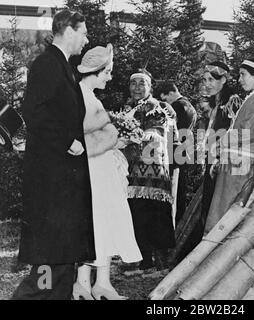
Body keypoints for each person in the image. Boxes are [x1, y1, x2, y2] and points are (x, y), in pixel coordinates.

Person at [12, 9, 93, 300]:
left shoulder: (62, 65)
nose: (86, 39)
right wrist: (67, 142)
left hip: (61, 182)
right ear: (68, 30)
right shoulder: (48, 64)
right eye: (83, 32)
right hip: (52, 182)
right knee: (49, 262)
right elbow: (34, 111)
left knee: (62, 258)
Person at [72, 44, 142, 300]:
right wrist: (114, 141)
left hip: (102, 166)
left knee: (106, 221)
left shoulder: (90, 95)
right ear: (97, 70)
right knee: (95, 221)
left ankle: (101, 282)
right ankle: (83, 282)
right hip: (92, 168)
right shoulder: (80, 95)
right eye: (108, 72)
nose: (110, 77)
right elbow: (82, 136)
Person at [204, 57, 254, 233]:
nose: (239, 79)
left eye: (243, 75)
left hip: (243, 163)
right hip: (236, 161)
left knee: (226, 211)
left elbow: (248, 132)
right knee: (222, 209)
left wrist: (220, 143)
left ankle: (213, 249)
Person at [121, 70, 179, 272]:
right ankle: (145, 260)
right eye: (133, 83)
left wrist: (130, 138)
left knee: (155, 215)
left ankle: (161, 262)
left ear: (150, 88)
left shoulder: (156, 107)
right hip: (135, 171)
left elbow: (156, 134)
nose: (137, 87)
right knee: (138, 214)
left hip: (152, 170)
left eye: (141, 84)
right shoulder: (129, 108)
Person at [197, 61, 242, 240]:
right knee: (208, 207)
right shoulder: (217, 103)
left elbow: (236, 136)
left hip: (222, 164)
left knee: (217, 208)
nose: (206, 84)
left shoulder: (232, 101)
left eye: (211, 79)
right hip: (212, 161)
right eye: (204, 79)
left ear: (223, 80)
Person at [157, 81, 197, 226]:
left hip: (173, 155)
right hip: (184, 155)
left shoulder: (177, 107)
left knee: (173, 194)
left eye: (165, 99)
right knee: (180, 193)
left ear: (171, 93)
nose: (165, 102)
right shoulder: (190, 106)